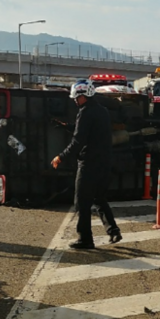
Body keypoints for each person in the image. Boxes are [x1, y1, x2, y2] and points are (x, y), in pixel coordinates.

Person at [51, 79, 122, 249]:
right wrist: (68, 126)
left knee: (81, 202)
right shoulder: (102, 111)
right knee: (99, 198)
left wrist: (60, 157)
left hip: (88, 164)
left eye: (77, 98)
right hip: (105, 162)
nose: (75, 101)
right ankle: (113, 231)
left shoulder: (84, 112)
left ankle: (85, 239)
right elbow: (89, 130)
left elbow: (78, 141)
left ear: (84, 96)